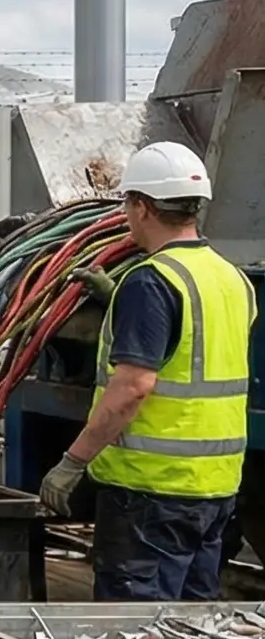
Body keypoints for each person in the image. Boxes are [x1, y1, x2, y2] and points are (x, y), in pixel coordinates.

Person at [39, 142, 253, 601]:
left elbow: (133, 388)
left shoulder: (151, 280)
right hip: (215, 488)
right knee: (192, 629)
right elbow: (191, 348)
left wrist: (72, 462)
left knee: (134, 632)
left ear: (141, 207)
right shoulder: (231, 277)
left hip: (150, 493)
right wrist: (116, 295)